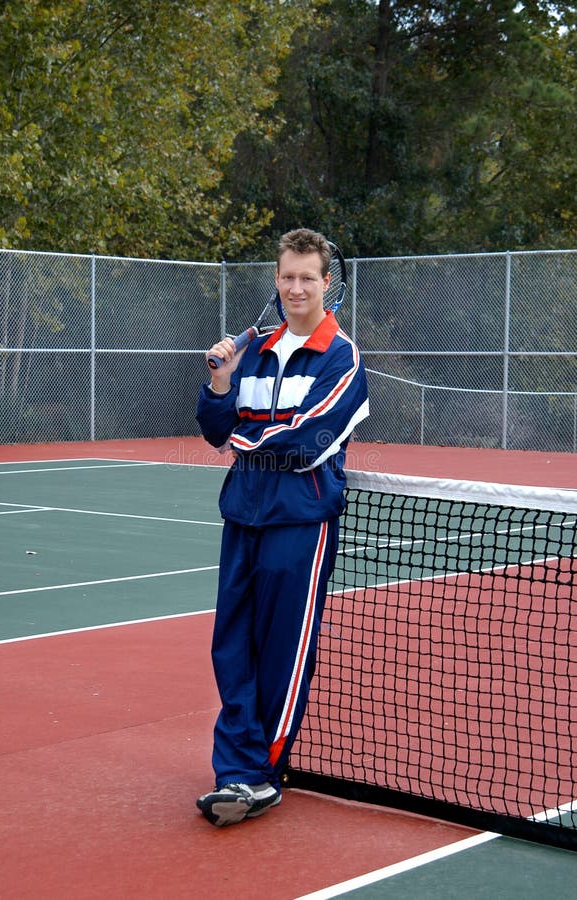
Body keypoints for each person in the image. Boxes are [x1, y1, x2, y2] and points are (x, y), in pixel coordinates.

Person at [195, 228, 369, 826]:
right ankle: (235, 769)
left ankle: (262, 772)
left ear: (327, 284)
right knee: (231, 646)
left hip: (300, 519)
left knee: (283, 652)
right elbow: (215, 428)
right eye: (287, 277)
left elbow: (307, 439)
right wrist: (220, 380)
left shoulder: (341, 357)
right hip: (242, 512)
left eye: (307, 278)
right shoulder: (256, 351)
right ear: (277, 280)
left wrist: (245, 442)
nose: (295, 287)